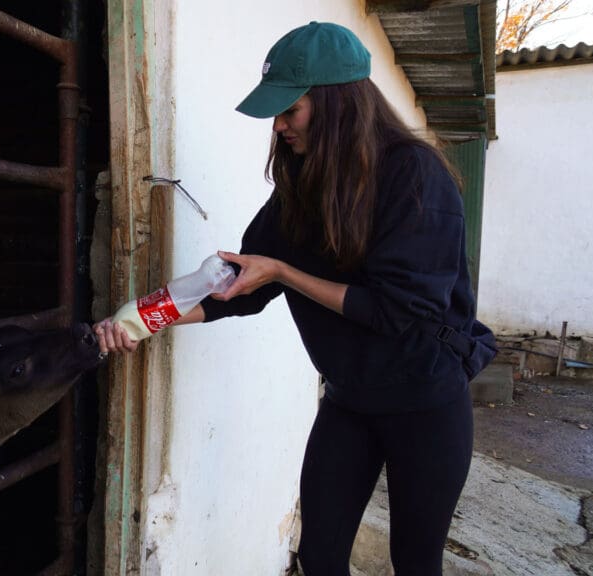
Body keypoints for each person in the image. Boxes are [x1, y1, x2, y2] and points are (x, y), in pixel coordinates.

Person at [94, 21, 496, 576]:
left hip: (424, 401)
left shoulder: (415, 176)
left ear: (339, 105)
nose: (279, 126)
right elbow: (239, 289)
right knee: (320, 555)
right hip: (351, 400)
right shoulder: (302, 189)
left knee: (415, 560)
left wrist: (283, 270)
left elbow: (397, 310)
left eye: (291, 110)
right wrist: (143, 321)